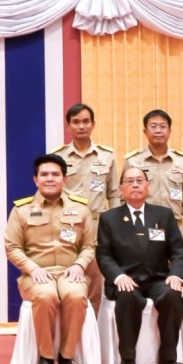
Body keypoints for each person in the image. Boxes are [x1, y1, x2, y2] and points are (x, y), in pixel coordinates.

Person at [4, 154, 96, 364]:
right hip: (36, 275)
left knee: (75, 296)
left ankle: (66, 356)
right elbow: (12, 247)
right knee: (45, 297)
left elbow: (90, 245)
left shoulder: (81, 209)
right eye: (44, 174)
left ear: (64, 179)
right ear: (35, 179)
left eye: (55, 174)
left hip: (70, 272)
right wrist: (33, 269)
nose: (50, 178)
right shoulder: (21, 210)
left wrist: (79, 266)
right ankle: (45, 357)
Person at [96, 165, 183, 364]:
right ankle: (128, 360)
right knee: (127, 298)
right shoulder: (109, 218)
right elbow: (103, 254)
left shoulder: (164, 215)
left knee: (173, 296)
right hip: (126, 279)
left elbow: (178, 250)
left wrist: (176, 274)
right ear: (121, 189)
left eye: (140, 180)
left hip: (158, 279)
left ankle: (168, 359)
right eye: (130, 181)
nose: (135, 185)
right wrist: (118, 276)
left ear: (148, 185)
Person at [52, 103, 121, 312]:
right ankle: (69, 325)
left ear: (93, 124)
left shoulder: (106, 156)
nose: (81, 126)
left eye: (85, 121)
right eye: (76, 122)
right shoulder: (59, 157)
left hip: (98, 225)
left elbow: (114, 193)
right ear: (68, 126)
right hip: (67, 225)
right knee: (67, 273)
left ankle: (92, 330)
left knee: (95, 276)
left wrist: (115, 225)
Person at [123, 109, 183, 224]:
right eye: (153, 126)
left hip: (174, 224)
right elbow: (124, 197)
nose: (158, 130)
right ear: (145, 131)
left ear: (170, 131)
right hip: (142, 224)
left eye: (163, 126)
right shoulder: (133, 161)